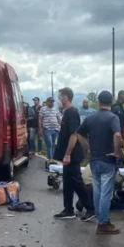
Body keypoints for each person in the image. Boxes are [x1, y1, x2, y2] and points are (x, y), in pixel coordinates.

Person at [77, 90, 123, 234]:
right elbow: (117, 135)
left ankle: (100, 218)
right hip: (107, 160)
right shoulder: (113, 118)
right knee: (106, 193)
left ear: (98, 102)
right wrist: (116, 151)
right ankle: (103, 223)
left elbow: (78, 133)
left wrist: (86, 147)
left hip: (94, 159)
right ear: (111, 101)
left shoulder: (90, 118)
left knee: (97, 191)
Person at [52, 87, 95, 222]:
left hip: (72, 155)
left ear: (65, 97)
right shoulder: (66, 113)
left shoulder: (72, 113)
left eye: (59, 97)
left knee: (76, 181)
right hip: (67, 154)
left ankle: (90, 208)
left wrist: (68, 154)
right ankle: (68, 209)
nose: (58, 99)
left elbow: (74, 135)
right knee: (68, 182)